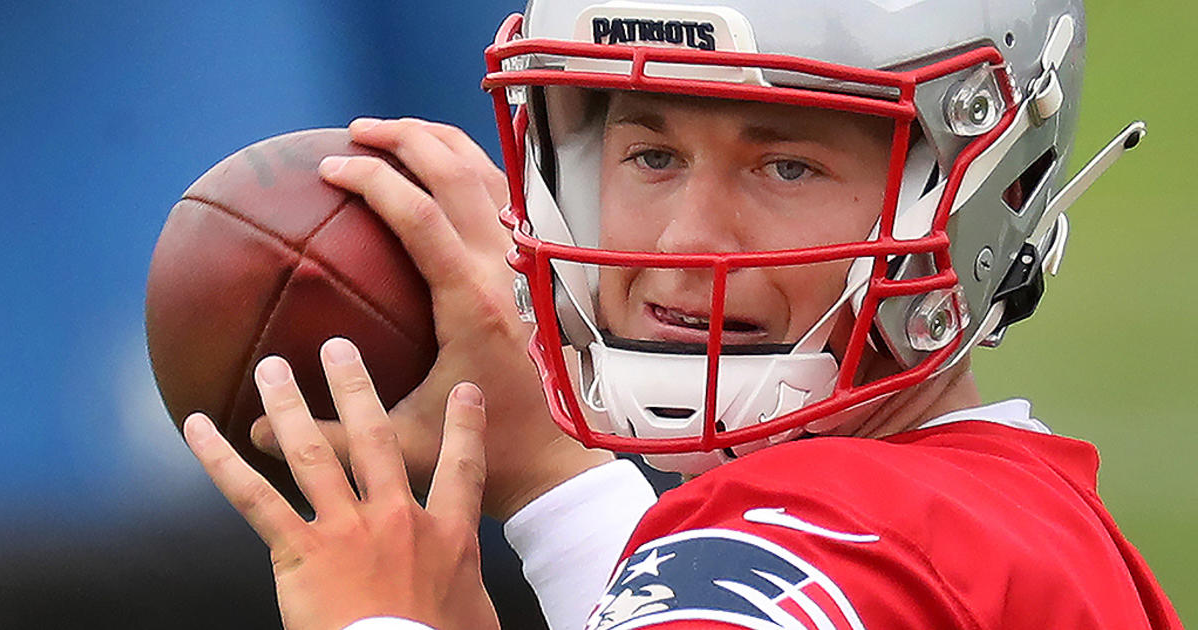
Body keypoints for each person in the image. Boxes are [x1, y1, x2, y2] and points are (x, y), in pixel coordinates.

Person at [183, 0, 1184, 628]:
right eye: (650, 157)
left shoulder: (834, 537)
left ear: (975, 194)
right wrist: (549, 481)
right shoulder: (1017, 523)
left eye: (787, 165)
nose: (681, 243)